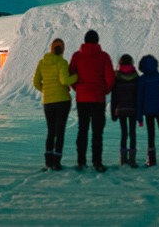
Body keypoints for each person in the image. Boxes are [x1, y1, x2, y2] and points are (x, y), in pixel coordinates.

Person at [68, 29, 115, 172]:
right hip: (98, 99)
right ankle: (97, 162)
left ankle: (81, 162)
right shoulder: (104, 56)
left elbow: (71, 75)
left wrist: (78, 89)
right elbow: (110, 78)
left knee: (82, 130)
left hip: (82, 99)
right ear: (97, 41)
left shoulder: (76, 56)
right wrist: (105, 90)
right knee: (97, 132)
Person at [33, 38, 78, 171]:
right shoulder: (62, 62)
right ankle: (57, 162)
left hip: (48, 102)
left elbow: (36, 83)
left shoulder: (42, 63)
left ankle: (48, 161)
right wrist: (76, 76)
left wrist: (46, 91)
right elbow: (65, 81)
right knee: (60, 131)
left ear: (51, 48)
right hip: (63, 101)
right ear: (62, 50)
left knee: (51, 131)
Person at [110, 54, 139, 168]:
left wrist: (113, 113)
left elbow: (114, 97)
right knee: (132, 133)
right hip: (133, 109)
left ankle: (123, 160)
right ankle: (132, 160)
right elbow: (138, 96)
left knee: (124, 133)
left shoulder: (116, 78)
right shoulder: (136, 77)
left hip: (120, 110)